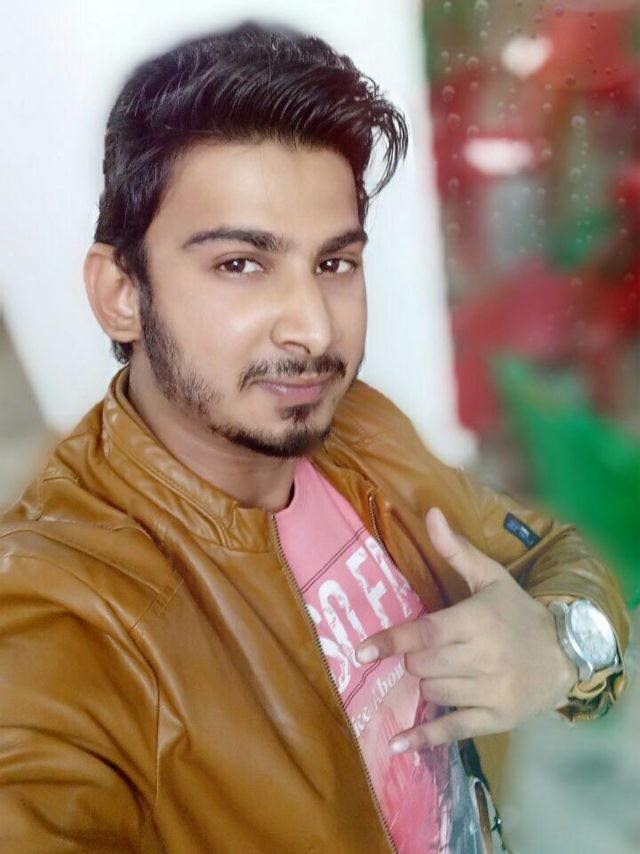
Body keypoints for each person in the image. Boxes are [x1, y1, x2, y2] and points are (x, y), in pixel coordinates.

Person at [0, 20, 628, 854]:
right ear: (122, 292)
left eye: (334, 264)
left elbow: (551, 552)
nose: (313, 329)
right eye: (240, 264)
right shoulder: (59, 605)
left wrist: (559, 646)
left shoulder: (358, 429)